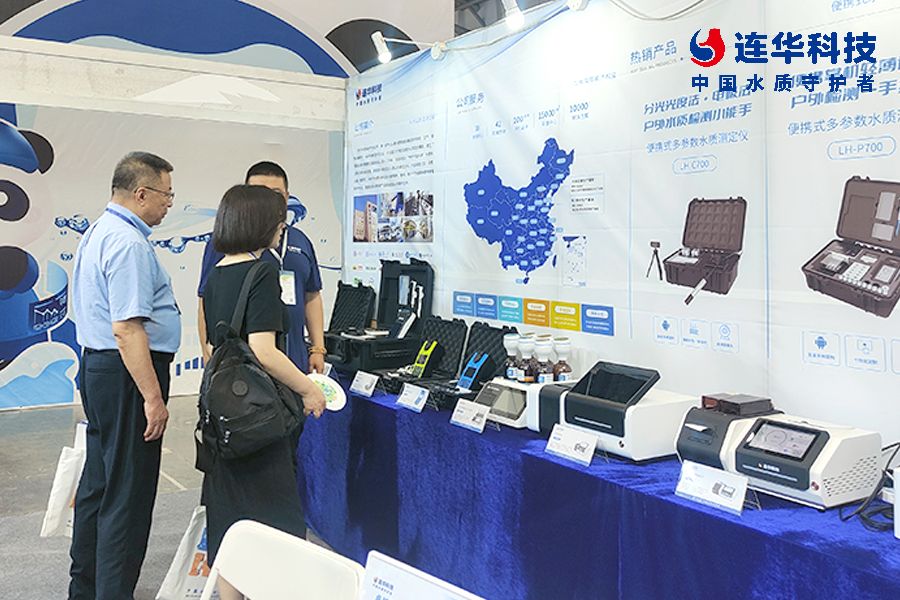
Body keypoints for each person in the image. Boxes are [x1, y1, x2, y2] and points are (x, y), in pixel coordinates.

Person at [198, 184, 326, 600]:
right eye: (278, 220)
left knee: (231, 521)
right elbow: (265, 351)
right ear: (259, 222)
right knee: (276, 520)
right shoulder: (264, 271)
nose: (282, 227)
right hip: (258, 413)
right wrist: (308, 390)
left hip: (224, 413)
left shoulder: (217, 273)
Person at [69, 152, 180, 600]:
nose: (169, 204)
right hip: (127, 375)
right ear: (141, 193)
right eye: (167, 194)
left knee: (99, 486)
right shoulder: (129, 243)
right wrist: (152, 398)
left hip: (102, 369)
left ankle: (86, 589)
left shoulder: (99, 231)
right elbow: (127, 328)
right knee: (127, 496)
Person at [197, 161, 326, 374]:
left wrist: (317, 348)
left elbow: (312, 295)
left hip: (294, 354)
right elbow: (206, 299)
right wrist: (208, 353)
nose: (268, 201)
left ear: (287, 197)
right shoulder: (226, 244)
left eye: (276, 194)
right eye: (259, 192)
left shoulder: (301, 240)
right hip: (248, 365)